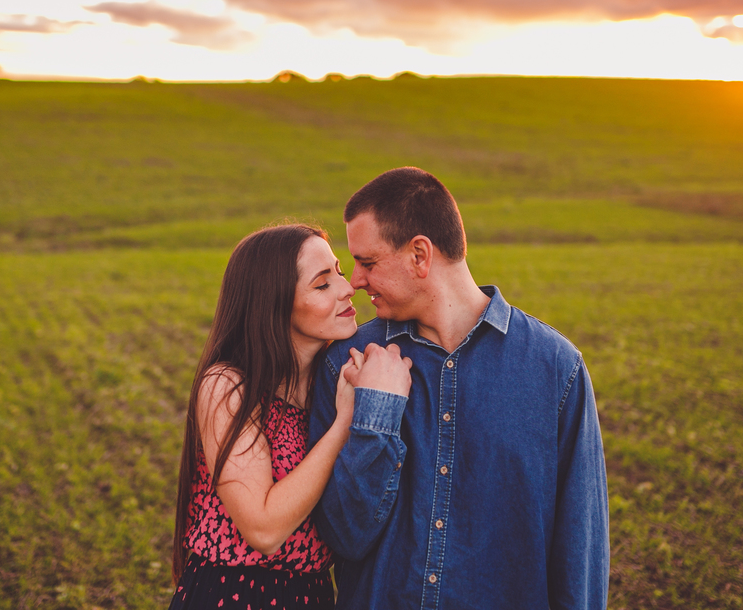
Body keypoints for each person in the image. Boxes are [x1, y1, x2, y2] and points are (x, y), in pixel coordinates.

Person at [309, 167, 609, 610]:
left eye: (367, 262)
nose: (354, 280)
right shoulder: (346, 363)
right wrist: (376, 414)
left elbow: (579, 552)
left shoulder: (556, 369)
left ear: (420, 255)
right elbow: (342, 537)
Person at [170, 224, 364, 610]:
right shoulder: (228, 386)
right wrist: (344, 425)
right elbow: (263, 527)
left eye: (339, 272)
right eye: (322, 284)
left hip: (314, 595)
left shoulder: (327, 386)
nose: (347, 288)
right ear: (274, 303)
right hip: (235, 595)